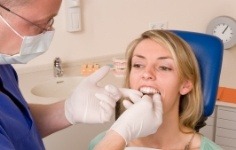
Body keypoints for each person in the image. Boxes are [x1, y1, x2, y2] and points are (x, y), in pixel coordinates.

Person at [0, 1, 157, 149]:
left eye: (164, 67)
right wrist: (119, 134)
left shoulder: (4, 67)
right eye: (40, 24)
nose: (47, 32)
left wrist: (68, 110)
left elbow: (17, 125)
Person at [89, 30, 222, 150]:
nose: (146, 73)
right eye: (138, 65)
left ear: (185, 85)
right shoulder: (103, 143)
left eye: (164, 67)